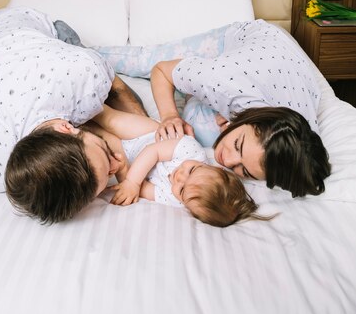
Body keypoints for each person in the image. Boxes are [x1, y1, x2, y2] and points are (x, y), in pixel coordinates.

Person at [0, 7, 145, 217]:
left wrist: (150, 134)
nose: (117, 160)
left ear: (66, 128)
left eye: (106, 155)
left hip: (15, 21)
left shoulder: (83, 73)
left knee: (116, 102)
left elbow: (116, 87)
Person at [94, 20, 331, 197]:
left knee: (200, 133)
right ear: (251, 118)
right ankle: (76, 47)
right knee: (140, 62)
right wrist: (168, 116)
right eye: (238, 144)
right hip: (254, 38)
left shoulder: (300, 144)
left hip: (284, 61)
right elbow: (161, 70)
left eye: (244, 171)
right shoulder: (221, 81)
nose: (226, 160)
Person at [86, 107, 271, 227]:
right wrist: (132, 182)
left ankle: (78, 127)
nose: (179, 176)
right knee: (109, 119)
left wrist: (129, 183)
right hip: (146, 135)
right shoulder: (192, 150)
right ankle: (86, 104)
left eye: (182, 189)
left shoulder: (174, 199)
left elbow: (143, 190)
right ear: (218, 169)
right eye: (192, 170)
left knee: (100, 140)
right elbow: (153, 152)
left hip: (128, 158)